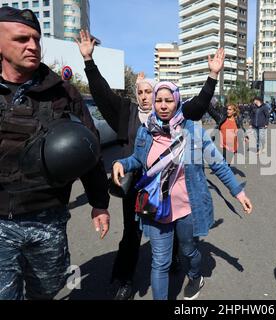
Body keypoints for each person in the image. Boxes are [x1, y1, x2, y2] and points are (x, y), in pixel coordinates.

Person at [76, 29, 225, 299]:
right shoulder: (126, 112)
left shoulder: (172, 113)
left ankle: (175, 259)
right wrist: (89, 61)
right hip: (137, 187)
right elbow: (101, 94)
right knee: (131, 234)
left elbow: (199, 105)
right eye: (141, 92)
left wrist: (212, 75)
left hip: (171, 187)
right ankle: (124, 280)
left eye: (150, 92)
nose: (146, 96)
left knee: (175, 228)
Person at [0, 7, 111, 300]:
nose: (32, 46)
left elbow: (90, 150)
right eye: (22, 39)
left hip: (47, 218)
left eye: (36, 39)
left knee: (47, 291)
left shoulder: (63, 94)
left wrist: (99, 203)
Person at [112, 81, 253, 300]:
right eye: (159, 100)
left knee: (188, 250)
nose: (163, 105)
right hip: (156, 207)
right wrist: (123, 163)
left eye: (168, 100)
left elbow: (218, 164)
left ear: (177, 101)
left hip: (187, 208)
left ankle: (196, 276)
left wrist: (239, 193)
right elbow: (137, 160)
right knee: (160, 261)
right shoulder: (145, 131)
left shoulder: (194, 131)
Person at [207, 101, 249, 165]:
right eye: (227, 109)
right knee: (221, 164)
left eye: (230, 109)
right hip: (221, 145)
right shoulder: (222, 118)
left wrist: (245, 136)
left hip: (231, 148)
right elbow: (212, 112)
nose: (227, 111)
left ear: (234, 111)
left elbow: (241, 128)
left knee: (226, 165)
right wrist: (205, 101)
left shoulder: (237, 121)